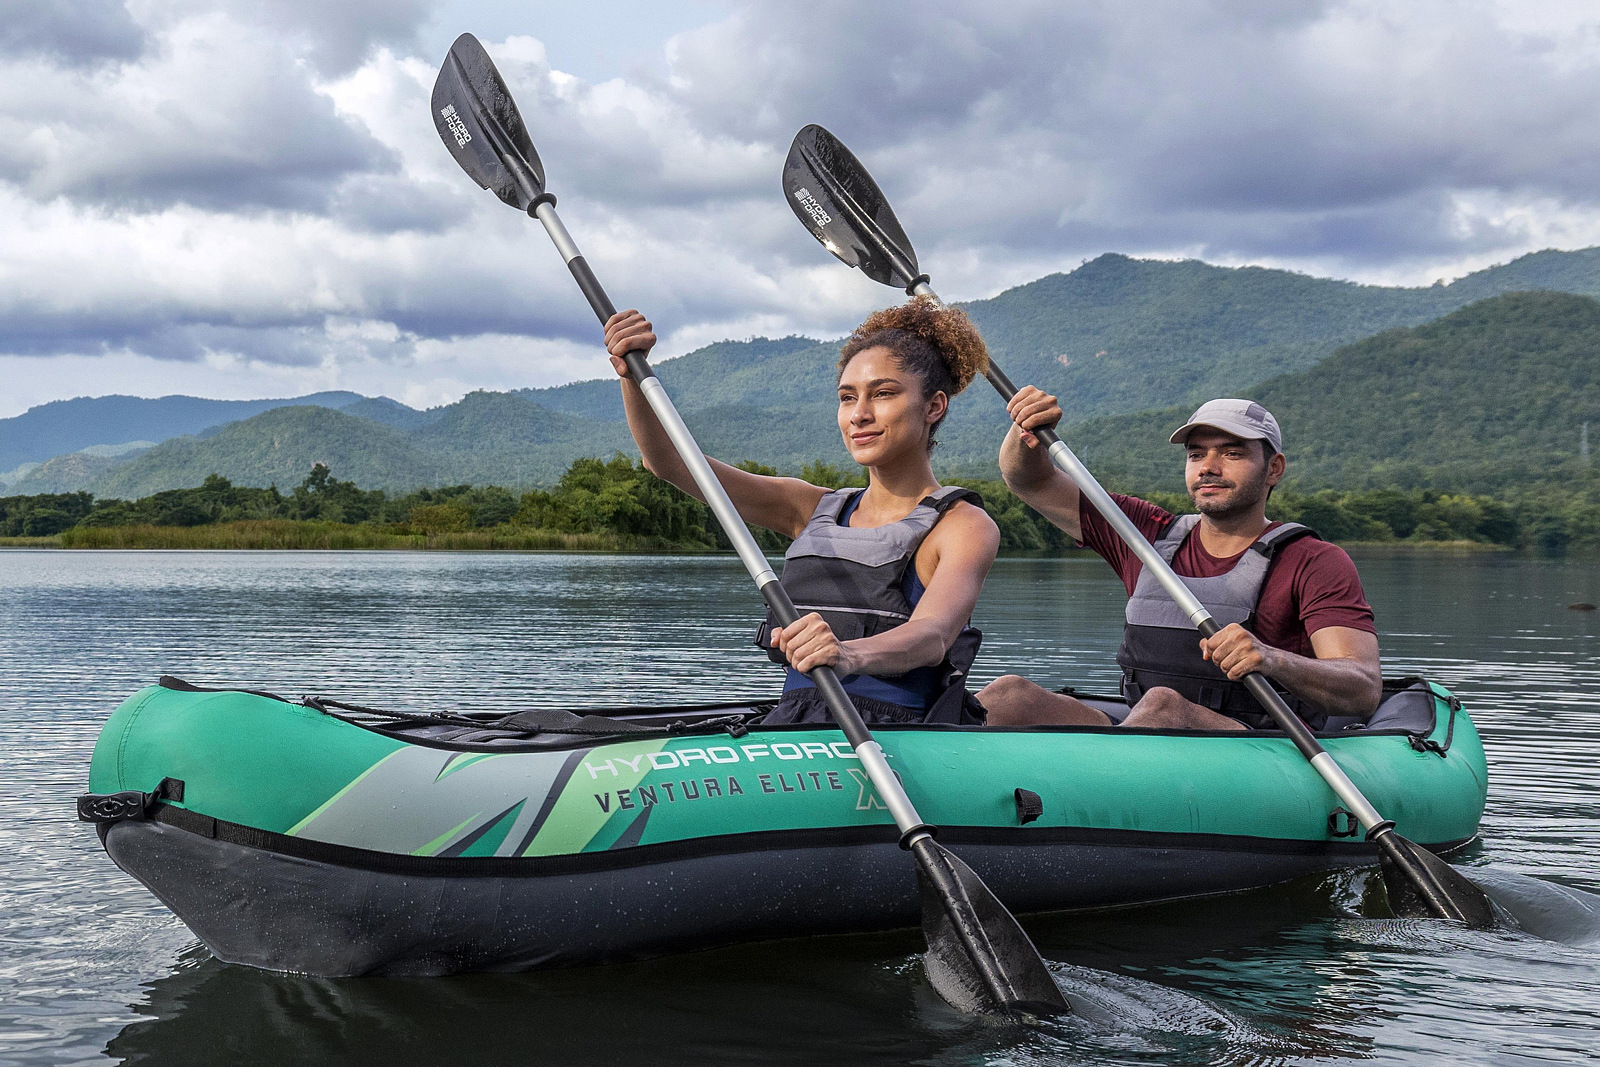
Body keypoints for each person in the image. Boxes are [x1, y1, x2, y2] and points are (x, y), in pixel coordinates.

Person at [602, 297, 1000, 725]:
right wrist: (631, 374)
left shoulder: (962, 525)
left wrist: (847, 654)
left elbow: (933, 635)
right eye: (847, 398)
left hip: (894, 731)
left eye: (883, 394)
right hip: (795, 722)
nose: (859, 415)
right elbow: (667, 461)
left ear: (934, 406)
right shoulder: (810, 507)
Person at [978, 394, 1381, 731]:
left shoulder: (1314, 561)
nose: (1208, 467)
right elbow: (1030, 480)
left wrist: (1272, 658)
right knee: (1009, 695)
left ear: (1273, 469)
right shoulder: (1141, 534)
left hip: (1257, 747)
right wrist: (1024, 429)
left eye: (1232, 453)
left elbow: (1362, 687)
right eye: (1196, 454)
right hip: (1140, 731)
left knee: (1164, 707)